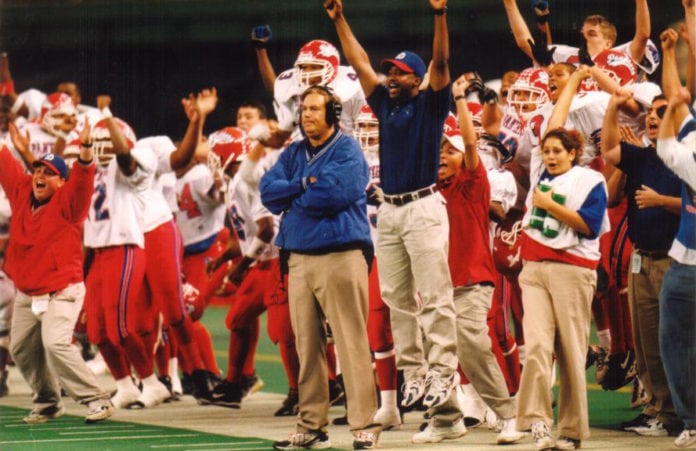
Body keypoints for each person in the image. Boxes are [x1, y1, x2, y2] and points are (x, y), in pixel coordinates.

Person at [325, 1, 464, 443]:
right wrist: (339, 20)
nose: (392, 76)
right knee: (397, 297)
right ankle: (415, 371)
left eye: (402, 72)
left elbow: (441, 60)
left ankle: (443, 370)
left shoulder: (431, 103)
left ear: (418, 79)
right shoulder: (384, 103)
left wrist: (440, 16)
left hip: (423, 204)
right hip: (390, 208)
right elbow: (358, 61)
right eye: (393, 71)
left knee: (435, 295)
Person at [261, 85, 380, 450]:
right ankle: (311, 425)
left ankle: (363, 426)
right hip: (298, 257)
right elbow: (268, 191)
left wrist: (294, 194)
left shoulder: (347, 148)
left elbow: (334, 194)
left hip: (340, 254)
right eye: (304, 109)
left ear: (332, 113)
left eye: (315, 109)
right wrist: (303, 184)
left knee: (350, 342)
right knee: (307, 346)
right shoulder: (294, 152)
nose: (307, 115)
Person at [1, 123, 114, 424]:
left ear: (62, 182)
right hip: (28, 291)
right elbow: (5, 162)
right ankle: (49, 402)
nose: (40, 175)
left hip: (61, 290)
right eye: (38, 170)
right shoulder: (22, 191)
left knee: (55, 342)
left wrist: (87, 152)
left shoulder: (69, 204)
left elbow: (83, 180)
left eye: (49, 172)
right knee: (21, 348)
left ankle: (96, 398)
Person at [439, 77, 527, 445]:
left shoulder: (474, 181)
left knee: (475, 346)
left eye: (449, 152)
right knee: (437, 353)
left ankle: (508, 412)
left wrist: (459, 98)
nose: (442, 158)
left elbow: (472, 146)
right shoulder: (431, 186)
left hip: (473, 278)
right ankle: (445, 419)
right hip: (437, 282)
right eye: (439, 152)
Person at [516, 126, 609, 450]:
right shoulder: (542, 177)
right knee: (538, 347)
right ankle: (537, 422)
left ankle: (571, 431)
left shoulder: (590, 181)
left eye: (558, 151)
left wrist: (550, 205)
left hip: (573, 270)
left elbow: (589, 225)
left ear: (572, 153)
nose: (551, 156)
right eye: (547, 151)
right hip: (534, 269)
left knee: (571, 350)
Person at [601, 89, 683, 437]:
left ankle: (682, 414)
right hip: (641, 259)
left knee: (676, 341)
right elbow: (609, 151)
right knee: (646, 341)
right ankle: (659, 411)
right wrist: (612, 108)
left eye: (662, 112)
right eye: (651, 112)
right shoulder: (642, 157)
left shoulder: (685, 158)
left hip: (674, 259)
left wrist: (660, 200)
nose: (652, 117)